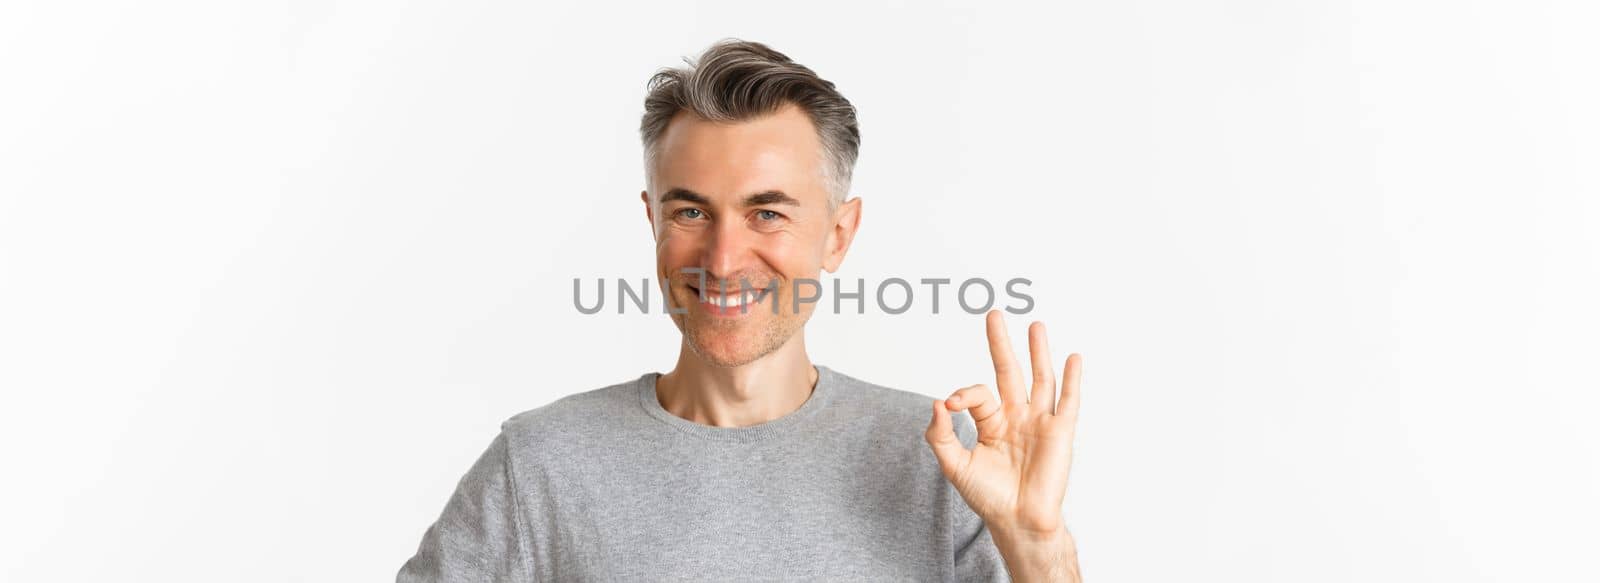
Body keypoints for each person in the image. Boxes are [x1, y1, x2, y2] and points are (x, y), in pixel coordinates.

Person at [397, 39, 1084, 582]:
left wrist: (1038, 551)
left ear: (838, 234)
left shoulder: (945, 462)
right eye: (691, 210)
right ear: (653, 222)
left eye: (767, 212)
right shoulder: (540, 466)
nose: (723, 260)